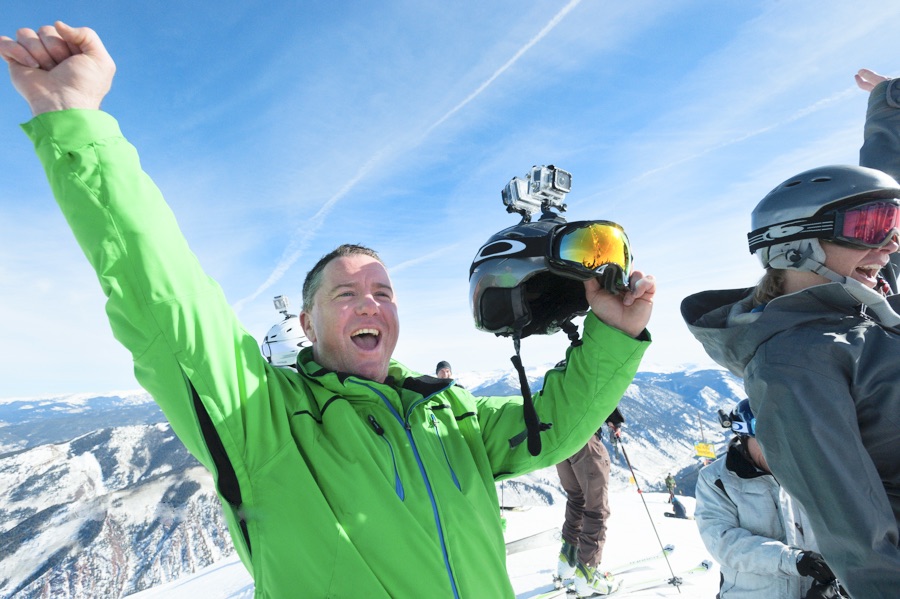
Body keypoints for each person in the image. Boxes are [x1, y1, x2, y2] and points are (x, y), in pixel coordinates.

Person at [0, 23, 656, 598]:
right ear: (307, 325)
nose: (370, 302)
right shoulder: (266, 420)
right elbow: (167, 297)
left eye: (383, 293)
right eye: (345, 294)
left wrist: (613, 330)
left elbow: (555, 428)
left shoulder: (451, 416)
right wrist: (78, 124)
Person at [682, 70, 900, 597]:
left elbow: (883, 175)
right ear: (793, 246)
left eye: (895, 225)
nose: (890, 245)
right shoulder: (793, 363)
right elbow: (858, 534)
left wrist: (889, 104)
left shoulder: (866, 297)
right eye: (872, 230)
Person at [695, 400, 841, 599]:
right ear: (744, 438)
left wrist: (837, 584)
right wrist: (792, 560)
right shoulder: (717, 480)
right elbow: (724, 543)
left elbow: (846, 533)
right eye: (766, 442)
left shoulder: (813, 470)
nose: (777, 450)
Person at [554, 407, 624, 597]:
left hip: (559, 437)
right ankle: (587, 575)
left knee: (577, 499)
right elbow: (597, 390)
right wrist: (614, 417)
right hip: (583, 436)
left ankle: (568, 559)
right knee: (596, 509)